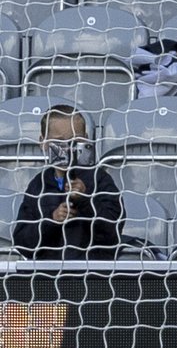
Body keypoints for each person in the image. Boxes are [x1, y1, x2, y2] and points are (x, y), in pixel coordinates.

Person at [13, 104, 124, 261]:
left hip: (93, 277)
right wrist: (51, 221)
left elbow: (113, 233)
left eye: (74, 141)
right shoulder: (38, 185)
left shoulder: (99, 179)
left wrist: (85, 201)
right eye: (59, 142)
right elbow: (23, 243)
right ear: (43, 142)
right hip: (48, 278)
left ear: (85, 140)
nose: (67, 148)